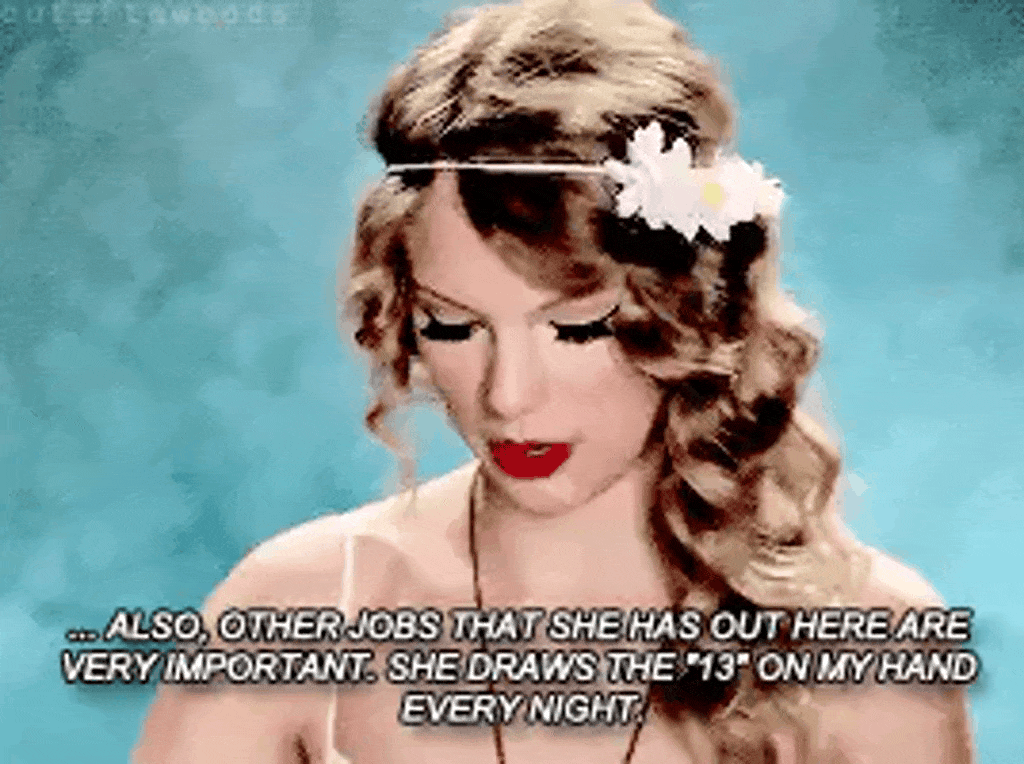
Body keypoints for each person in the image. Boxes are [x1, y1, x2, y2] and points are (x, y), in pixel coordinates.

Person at [133, 0, 975, 762]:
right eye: (453, 326)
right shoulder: (296, 612)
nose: (507, 396)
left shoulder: (871, 644)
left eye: (576, 328)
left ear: (688, 309)